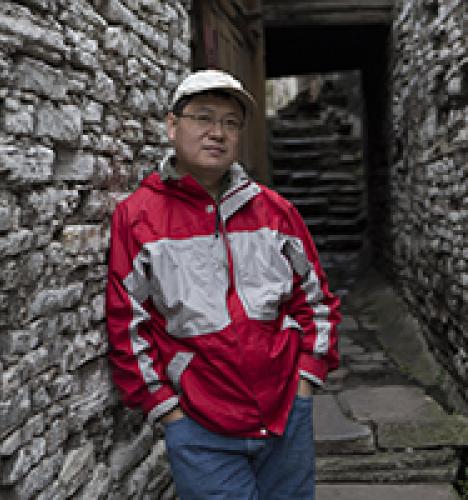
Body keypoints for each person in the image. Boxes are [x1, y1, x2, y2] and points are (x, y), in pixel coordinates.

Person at [106, 69, 340, 499]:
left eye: (231, 123)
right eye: (203, 118)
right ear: (172, 126)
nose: (217, 133)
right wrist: (165, 409)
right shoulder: (138, 218)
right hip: (199, 425)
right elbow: (127, 323)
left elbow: (316, 301)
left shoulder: (275, 212)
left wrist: (306, 379)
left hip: (285, 413)